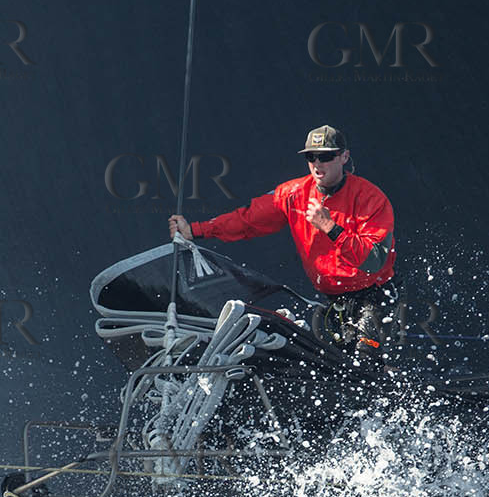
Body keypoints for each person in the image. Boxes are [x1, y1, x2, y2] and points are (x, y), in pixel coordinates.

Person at [169, 125, 396, 351]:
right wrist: (196, 230)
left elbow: (374, 262)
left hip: (374, 296)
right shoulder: (293, 193)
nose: (317, 164)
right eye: (311, 157)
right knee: (338, 366)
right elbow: (247, 219)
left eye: (325, 156)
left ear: (344, 156)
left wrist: (330, 227)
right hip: (333, 300)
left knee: (366, 360)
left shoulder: (371, 198)